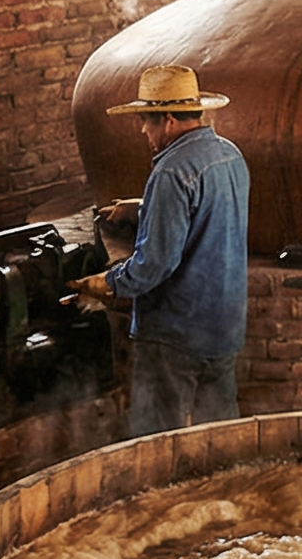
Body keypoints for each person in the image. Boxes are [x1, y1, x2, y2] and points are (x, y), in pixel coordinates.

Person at [71, 64, 251, 437]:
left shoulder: (170, 172)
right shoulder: (230, 155)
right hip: (223, 324)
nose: (143, 130)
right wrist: (141, 208)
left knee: (157, 440)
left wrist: (106, 283)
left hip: (175, 333)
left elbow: (155, 264)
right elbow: (207, 214)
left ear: (168, 119)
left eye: (147, 121)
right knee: (220, 437)